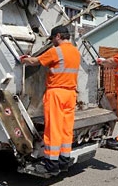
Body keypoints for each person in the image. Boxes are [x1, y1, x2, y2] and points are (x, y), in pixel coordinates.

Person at [20, 25, 80, 173]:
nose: (52, 41)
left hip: (56, 93)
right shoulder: (75, 52)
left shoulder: (56, 51)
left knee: (54, 128)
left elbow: (35, 62)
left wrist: (24, 59)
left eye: (52, 38)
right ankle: (64, 160)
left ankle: (51, 163)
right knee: (66, 129)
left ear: (58, 36)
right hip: (70, 94)